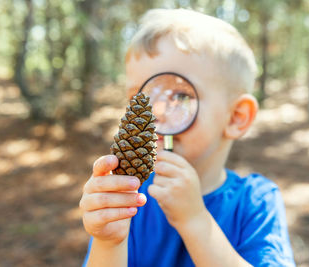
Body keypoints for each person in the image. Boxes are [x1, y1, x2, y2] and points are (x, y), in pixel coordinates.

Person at [79, 8, 295, 267]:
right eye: (141, 98)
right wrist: (108, 242)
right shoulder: (130, 199)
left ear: (236, 116)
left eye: (180, 96)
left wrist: (195, 220)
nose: (154, 112)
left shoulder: (256, 202)